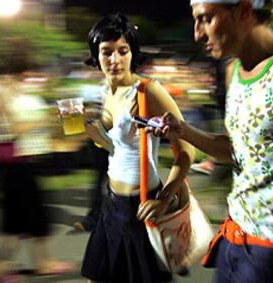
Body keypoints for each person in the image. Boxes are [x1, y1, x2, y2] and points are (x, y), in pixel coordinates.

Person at [147, 0, 273, 282]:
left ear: (243, 11)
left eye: (206, 19)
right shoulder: (234, 71)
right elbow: (236, 148)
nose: (197, 34)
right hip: (233, 238)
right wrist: (181, 130)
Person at [80, 13, 195, 283]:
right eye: (107, 52)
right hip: (111, 204)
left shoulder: (148, 91)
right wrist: (94, 134)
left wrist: (164, 198)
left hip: (141, 207)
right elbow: (114, 146)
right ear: (96, 56)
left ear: (133, 53)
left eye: (123, 51)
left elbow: (187, 150)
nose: (115, 60)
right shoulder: (104, 90)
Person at [0, 77, 73, 281]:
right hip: (13, 165)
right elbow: (13, 129)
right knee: (15, 221)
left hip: (26, 162)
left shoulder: (15, 94)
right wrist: (47, 118)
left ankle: (43, 262)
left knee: (37, 215)